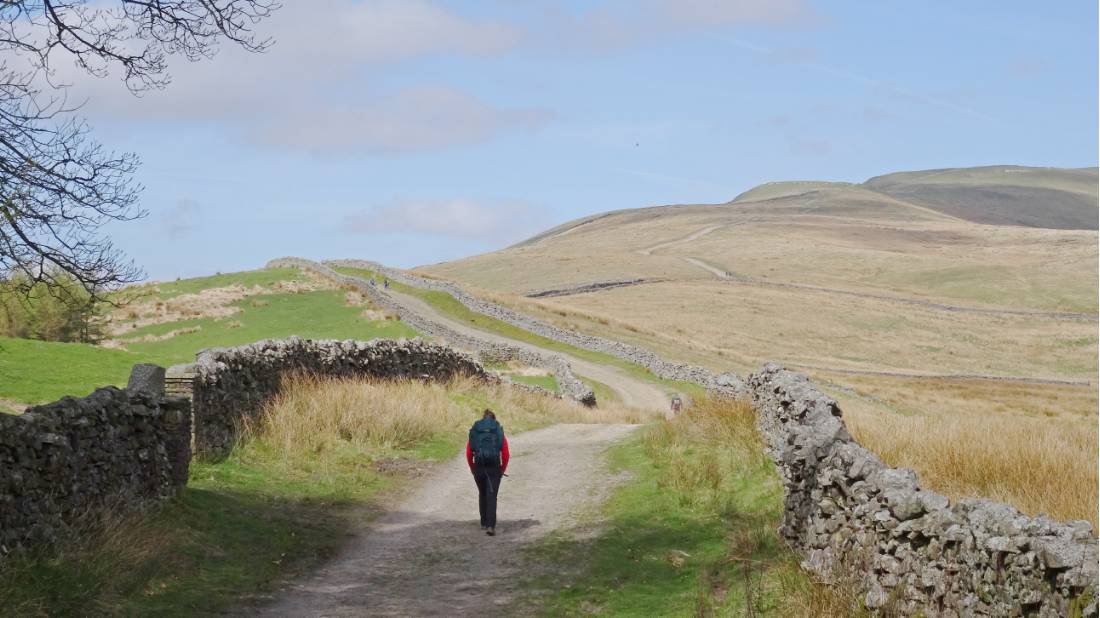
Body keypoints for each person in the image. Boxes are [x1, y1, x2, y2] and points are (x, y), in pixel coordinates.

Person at [466, 409, 509, 536]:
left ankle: (484, 522)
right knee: (492, 495)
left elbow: (469, 453)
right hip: (494, 468)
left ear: (483, 418)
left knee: (482, 493)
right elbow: (506, 454)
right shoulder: (497, 431)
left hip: (479, 467)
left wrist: (473, 468)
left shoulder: (476, 431)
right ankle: (490, 525)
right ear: (494, 419)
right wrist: (502, 469)